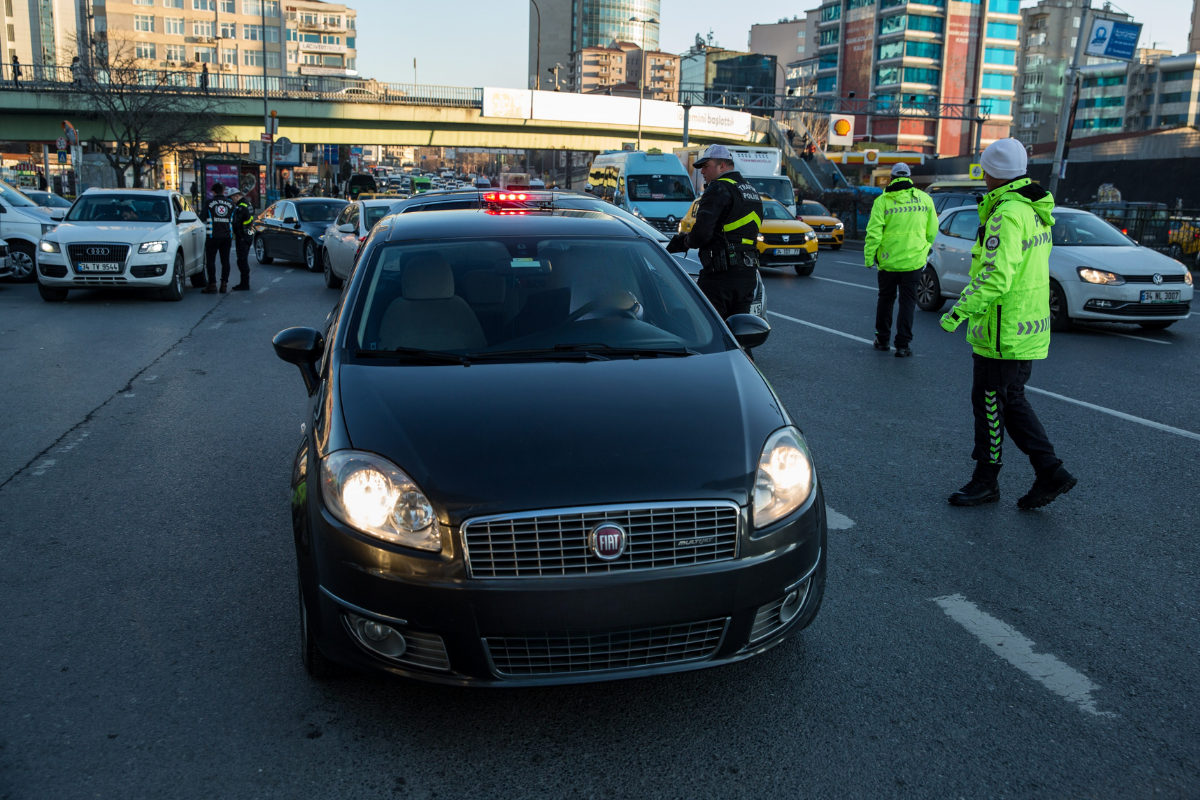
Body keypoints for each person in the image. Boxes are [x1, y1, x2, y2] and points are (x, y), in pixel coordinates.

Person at [939, 138, 1076, 509]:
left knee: (989, 406)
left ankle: (986, 481)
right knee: (1011, 401)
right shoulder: (1034, 210)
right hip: (1026, 326)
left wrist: (957, 313)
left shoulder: (1006, 214)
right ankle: (1050, 471)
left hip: (1002, 330)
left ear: (992, 174)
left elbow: (995, 277)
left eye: (985, 170)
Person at [666, 143, 763, 319]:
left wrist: (683, 242)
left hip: (720, 277)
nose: (702, 172)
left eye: (705, 166)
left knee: (710, 329)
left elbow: (702, 234)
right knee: (739, 329)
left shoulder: (718, 188)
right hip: (748, 274)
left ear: (722, 166)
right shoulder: (751, 190)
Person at [863, 162, 937, 357]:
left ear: (893, 178)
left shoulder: (883, 201)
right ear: (909, 177)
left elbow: (874, 232)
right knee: (908, 303)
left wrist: (869, 257)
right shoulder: (925, 199)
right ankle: (903, 345)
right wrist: (924, 249)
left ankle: (882, 340)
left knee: (885, 301)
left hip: (888, 262)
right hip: (914, 261)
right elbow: (932, 231)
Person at [201, 181, 234, 294]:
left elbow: (202, 217)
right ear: (223, 192)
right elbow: (235, 219)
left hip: (212, 236)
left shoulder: (209, 203)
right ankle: (224, 284)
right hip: (227, 236)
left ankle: (212, 285)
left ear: (213, 192)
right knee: (225, 261)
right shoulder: (231, 204)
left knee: (210, 261)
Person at [230, 189, 255, 291]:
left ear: (236, 196)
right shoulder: (248, 204)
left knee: (242, 260)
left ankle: (244, 284)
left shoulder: (241, 207)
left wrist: (233, 230)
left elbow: (237, 223)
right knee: (243, 259)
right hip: (248, 235)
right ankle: (244, 283)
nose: (232, 200)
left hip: (242, 236)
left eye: (232, 198)